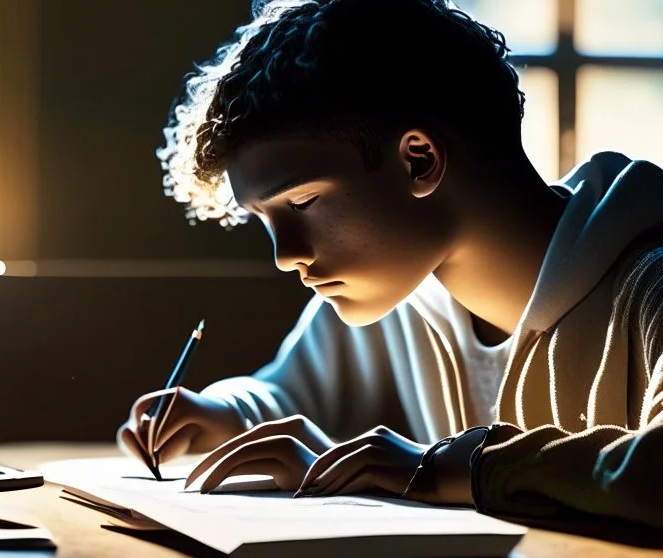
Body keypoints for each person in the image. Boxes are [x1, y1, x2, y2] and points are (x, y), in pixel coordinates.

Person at [117, 0, 663, 529]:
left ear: (418, 160)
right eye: (265, 218)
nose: (286, 256)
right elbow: (291, 396)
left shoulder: (649, 284)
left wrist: (457, 467)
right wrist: (227, 414)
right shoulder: (398, 290)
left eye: (302, 202)